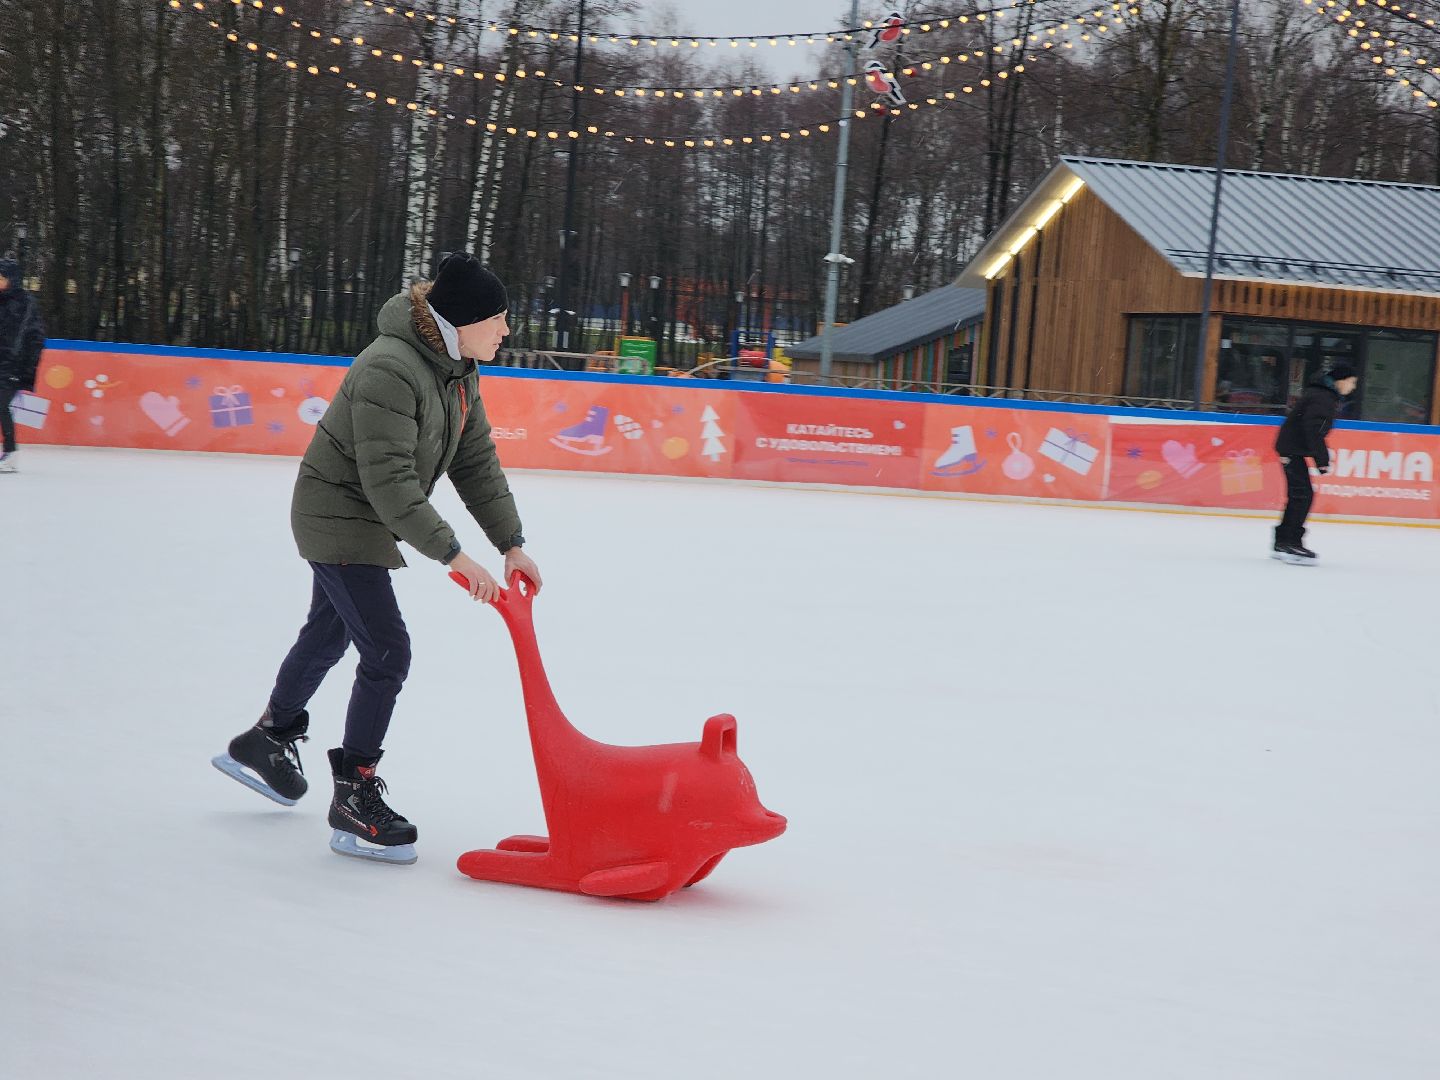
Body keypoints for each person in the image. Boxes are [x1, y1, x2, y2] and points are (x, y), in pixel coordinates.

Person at [213, 253, 542, 864]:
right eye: (498, 319)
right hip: (338, 515)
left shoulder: (459, 370)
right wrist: (454, 555)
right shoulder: (391, 368)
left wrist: (511, 544)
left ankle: (267, 738)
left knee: (329, 632)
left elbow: (475, 463)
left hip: (368, 515)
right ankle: (354, 795)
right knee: (387, 650)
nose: (505, 331)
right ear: (464, 321)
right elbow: (390, 482)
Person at [1272, 362, 1358, 565]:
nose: (1353, 387)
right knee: (1302, 496)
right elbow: (1313, 429)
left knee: (1299, 495)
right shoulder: (1324, 398)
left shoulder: (1321, 394)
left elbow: (1311, 428)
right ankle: (1290, 543)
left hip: (1291, 448)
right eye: (1352, 382)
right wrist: (1322, 460)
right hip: (1292, 449)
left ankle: (1283, 541)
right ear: (1341, 381)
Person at [0, 257, 47, 473]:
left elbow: (21, 336)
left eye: (1, 278)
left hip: (14, 366)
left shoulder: (23, 302)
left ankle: (11, 453)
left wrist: (18, 366)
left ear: (12, 279)